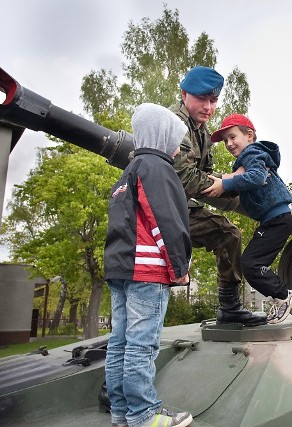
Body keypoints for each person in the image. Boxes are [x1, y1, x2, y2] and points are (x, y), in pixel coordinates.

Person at [104, 103, 193, 427]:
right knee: (142, 345)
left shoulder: (128, 172)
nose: (178, 147)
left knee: (121, 343)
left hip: (121, 269)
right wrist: (179, 267)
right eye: (175, 139)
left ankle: (121, 412)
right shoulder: (158, 169)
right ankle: (143, 415)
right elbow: (165, 219)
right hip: (148, 272)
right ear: (162, 136)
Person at [169, 66, 266, 326]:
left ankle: (230, 306)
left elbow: (207, 176)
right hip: (161, 210)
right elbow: (186, 178)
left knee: (228, 234)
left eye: (213, 101)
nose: (208, 107)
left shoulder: (200, 130)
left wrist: (241, 185)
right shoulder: (176, 125)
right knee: (226, 234)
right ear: (184, 94)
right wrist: (233, 184)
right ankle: (230, 306)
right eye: (202, 98)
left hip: (181, 207)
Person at [208, 113, 292, 324]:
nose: (229, 144)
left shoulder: (252, 153)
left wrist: (226, 184)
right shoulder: (250, 157)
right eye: (225, 141)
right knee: (252, 264)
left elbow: (257, 178)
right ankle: (281, 297)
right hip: (274, 219)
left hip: (276, 219)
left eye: (232, 137)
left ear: (249, 135)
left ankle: (284, 296)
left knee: (251, 264)